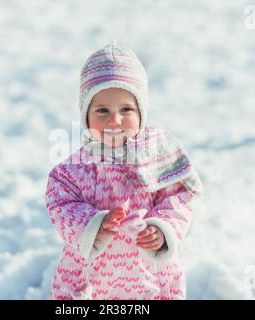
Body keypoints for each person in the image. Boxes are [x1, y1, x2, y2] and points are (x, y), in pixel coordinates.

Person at [45, 41, 204, 300]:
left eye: (126, 109)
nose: (114, 120)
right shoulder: (72, 170)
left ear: (141, 112)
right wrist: (93, 224)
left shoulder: (158, 154)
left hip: (149, 275)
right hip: (89, 278)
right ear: (86, 115)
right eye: (102, 110)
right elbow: (60, 204)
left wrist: (162, 228)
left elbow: (181, 194)